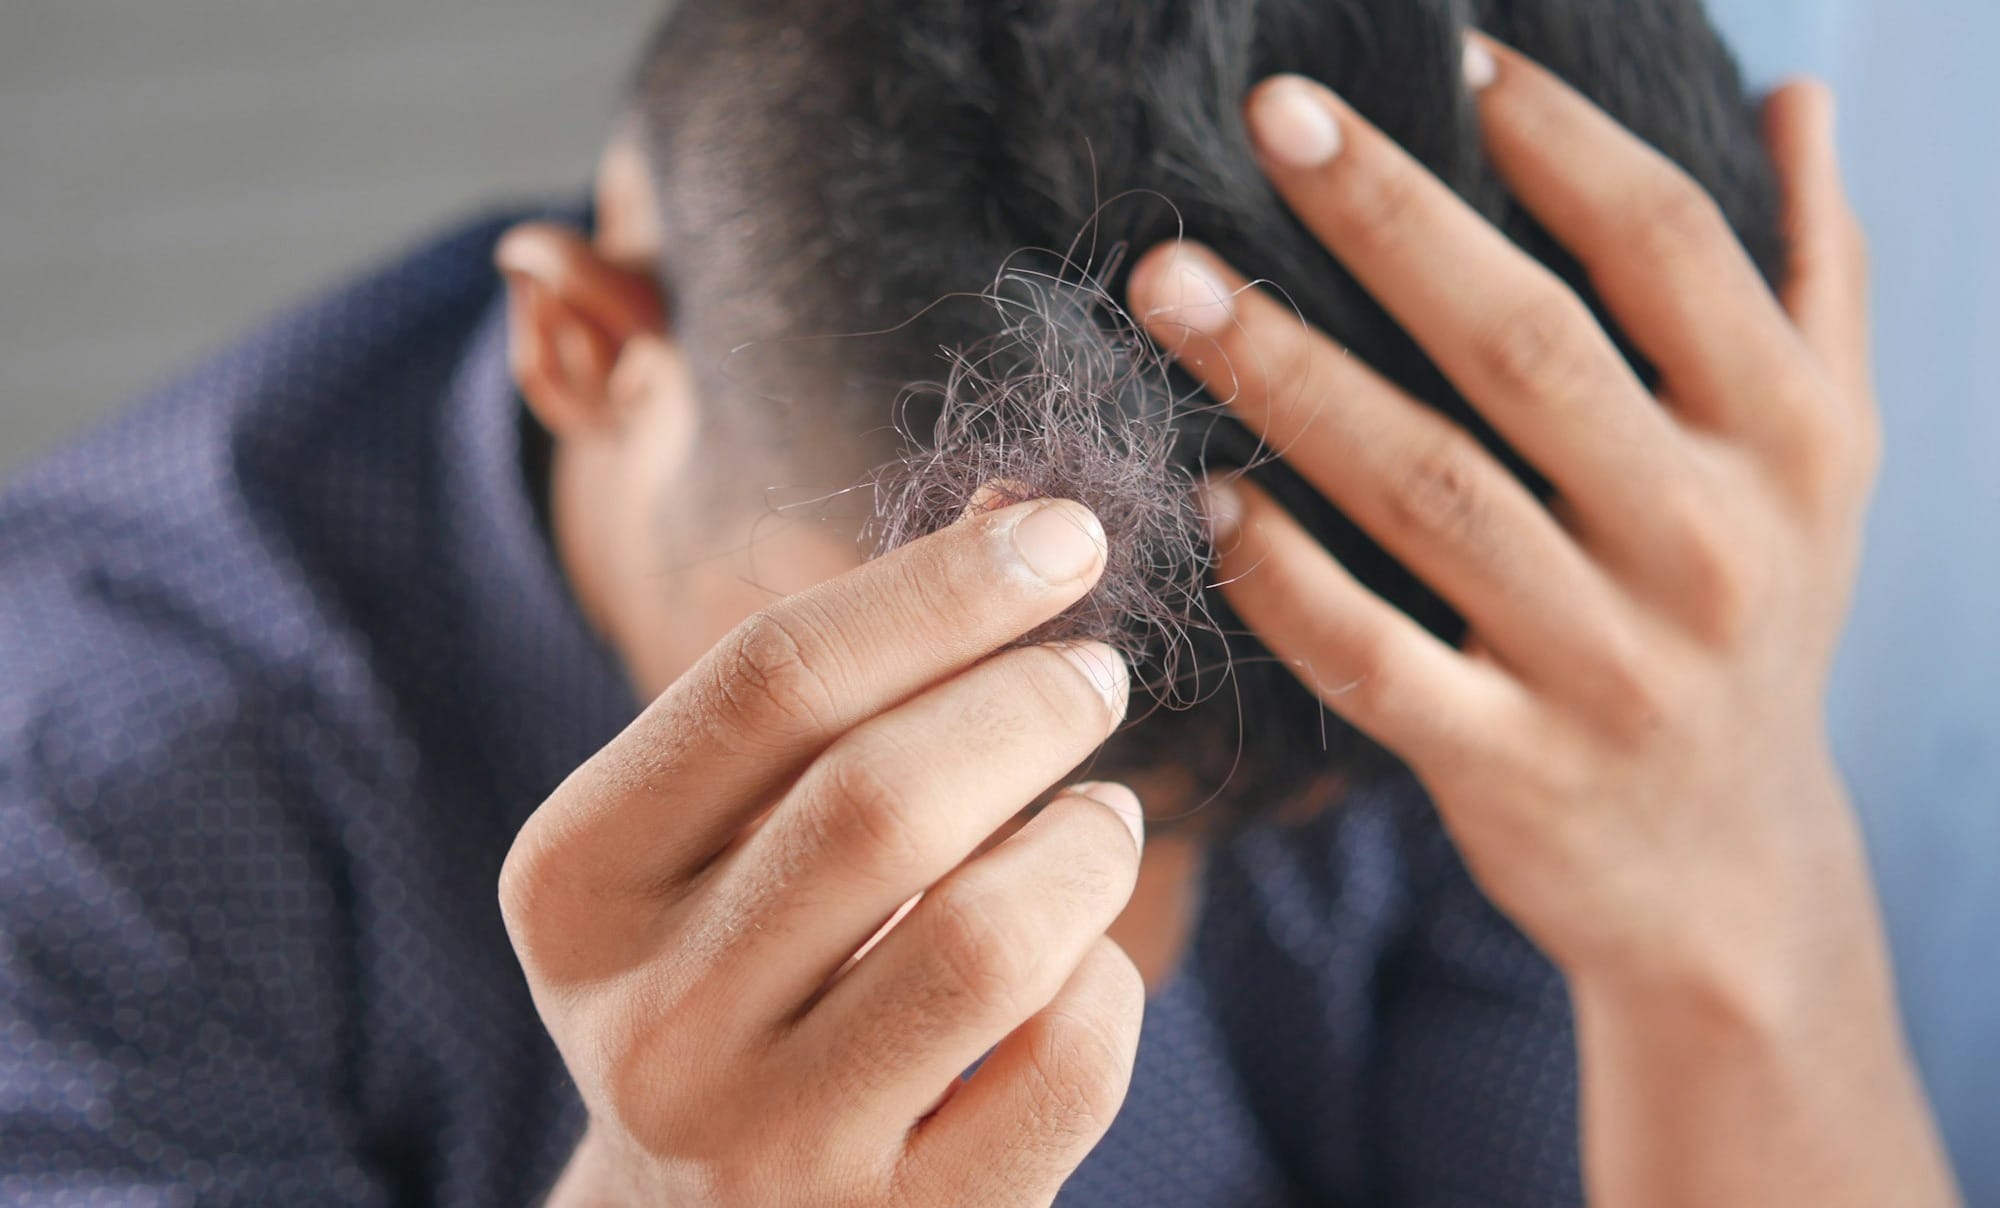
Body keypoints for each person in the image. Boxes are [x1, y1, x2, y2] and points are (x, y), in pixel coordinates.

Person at [0, 3, 1962, 1206]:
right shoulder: (72, 828)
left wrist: (1737, 909)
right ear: (586, 343)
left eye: (1241, 814)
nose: (1093, 971)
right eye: (941, 712)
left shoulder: (1468, 618)